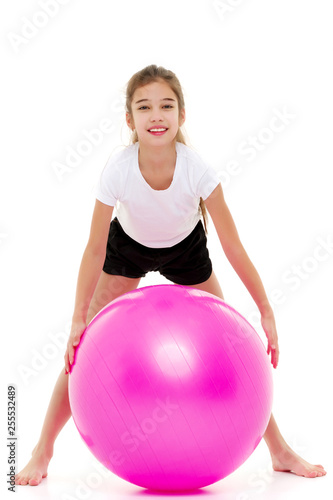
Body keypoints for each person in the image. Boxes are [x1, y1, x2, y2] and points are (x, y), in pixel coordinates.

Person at [15, 64, 326, 486]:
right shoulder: (118, 169)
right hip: (127, 247)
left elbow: (233, 245)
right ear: (129, 120)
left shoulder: (197, 169)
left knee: (231, 349)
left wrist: (266, 310)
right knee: (81, 348)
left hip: (186, 250)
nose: (156, 115)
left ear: (182, 115)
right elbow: (93, 248)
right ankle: (42, 450)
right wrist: (76, 318)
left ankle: (279, 449)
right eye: (144, 107)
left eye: (166, 105)